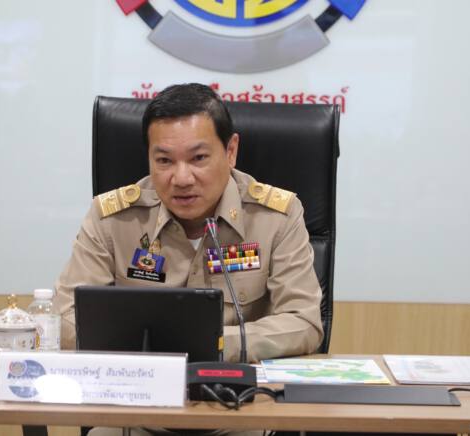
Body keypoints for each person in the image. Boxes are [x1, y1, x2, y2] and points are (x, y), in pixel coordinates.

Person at [55, 83, 323, 363]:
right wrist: (151, 346)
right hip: (140, 382)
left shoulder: (276, 217)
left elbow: (303, 323)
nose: (182, 179)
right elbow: (65, 317)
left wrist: (209, 342)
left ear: (230, 151)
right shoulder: (112, 219)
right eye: (164, 160)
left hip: (236, 384)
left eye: (198, 158)